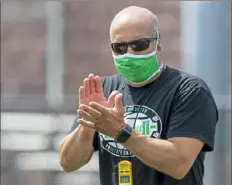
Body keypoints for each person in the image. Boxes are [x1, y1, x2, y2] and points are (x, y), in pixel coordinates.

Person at [59, 6, 218, 185]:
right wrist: (88, 126)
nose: (129, 54)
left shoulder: (189, 90)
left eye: (138, 45)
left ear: (157, 44)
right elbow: (68, 162)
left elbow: (179, 163)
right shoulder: (104, 89)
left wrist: (120, 132)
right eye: (120, 47)